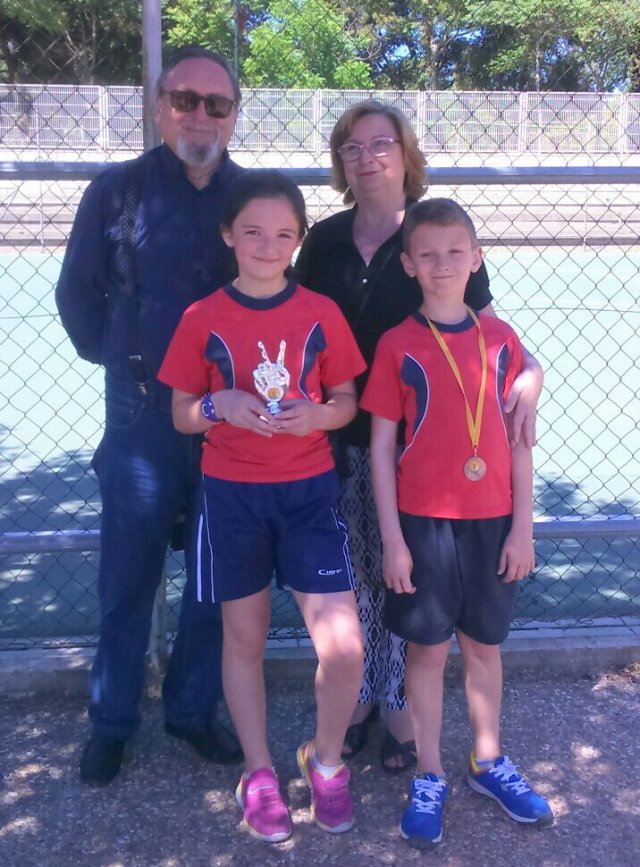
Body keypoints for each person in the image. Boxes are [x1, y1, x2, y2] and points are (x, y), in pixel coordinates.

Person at [295, 99, 544, 772]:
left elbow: (486, 328)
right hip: (340, 433)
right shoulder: (325, 240)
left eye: (381, 143)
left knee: (408, 580)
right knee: (364, 573)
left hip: (418, 448)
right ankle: (358, 700)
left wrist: (535, 370)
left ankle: (400, 707)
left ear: (406, 153)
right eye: (351, 147)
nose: (366, 157)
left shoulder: (435, 232)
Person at [55, 45, 245, 785]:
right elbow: (77, 295)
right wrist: (124, 361)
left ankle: (193, 710)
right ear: (160, 107)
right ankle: (111, 721)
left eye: (216, 104)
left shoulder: (254, 197)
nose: (200, 115)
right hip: (141, 414)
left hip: (228, 416)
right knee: (127, 576)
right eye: (185, 99)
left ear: (233, 116)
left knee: (213, 575)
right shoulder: (116, 192)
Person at [158, 169, 365, 843]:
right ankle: (259, 773)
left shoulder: (321, 311)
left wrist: (318, 416)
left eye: (283, 235)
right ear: (228, 235)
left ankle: (325, 761)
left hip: (309, 496)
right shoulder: (202, 318)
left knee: (345, 648)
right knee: (243, 640)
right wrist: (219, 403)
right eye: (253, 232)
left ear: (299, 240)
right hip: (232, 499)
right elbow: (183, 413)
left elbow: (346, 401)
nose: (268, 246)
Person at [361, 198, 553, 849]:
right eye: (428, 254)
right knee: (426, 650)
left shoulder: (502, 342)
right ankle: (430, 771)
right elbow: (381, 449)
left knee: (484, 646)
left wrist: (523, 528)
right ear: (409, 264)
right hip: (422, 525)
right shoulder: (397, 344)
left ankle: (487, 759)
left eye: (454, 252)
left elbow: (520, 440)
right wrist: (393, 539)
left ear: (476, 259)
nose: (442, 264)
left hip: (493, 522)